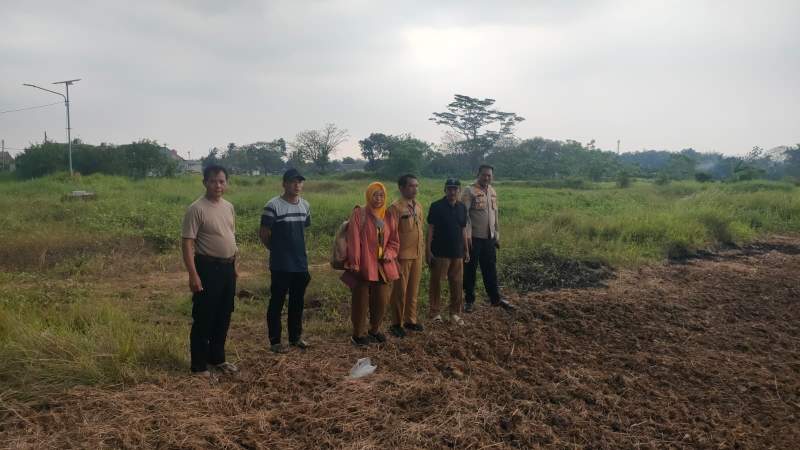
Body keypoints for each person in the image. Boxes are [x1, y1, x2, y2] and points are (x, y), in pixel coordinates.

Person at [181, 165, 239, 378]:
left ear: (227, 183)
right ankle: (199, 366)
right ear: (205, 182)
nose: (218, 185)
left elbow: (231, 236)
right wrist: (193, 274)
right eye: (214, 181)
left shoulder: (228, 207)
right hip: (207, 268)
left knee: (223, 315)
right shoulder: (196, 208)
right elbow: (187, 243)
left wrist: (235, 265)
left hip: (227, 268)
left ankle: (217, 358)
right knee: (204, 316)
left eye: (222, 181)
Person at [341, 182, 400, 346]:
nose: (378, 199)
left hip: (383, 265)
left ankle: (375, 330)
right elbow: (353, 239)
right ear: (368, 195)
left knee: (381, 299)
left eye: (381, 195)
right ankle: (358, 334)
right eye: (375, 195)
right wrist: (355, 262)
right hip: (363, 264)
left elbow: (394, 241)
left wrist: (389, 254)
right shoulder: (359, 213)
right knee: (360, 300)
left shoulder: (388, 215)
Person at [259, 168, 312, 354]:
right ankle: (275, 341)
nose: (297, 185)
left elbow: (303, 230)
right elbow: (264, 234)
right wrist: (277, 251)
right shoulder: (273, 206)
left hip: (300, 263)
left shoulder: (305, 205)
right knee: (277, 302)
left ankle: (295, 337)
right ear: (284, 184)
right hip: (281, 264)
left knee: (297, 302)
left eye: (299, 182)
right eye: (292, 182)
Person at [461, 165, 514, 312]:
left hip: (489, 239)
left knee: (490, 269)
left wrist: (496, 235)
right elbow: (464, 216)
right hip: (474, 238)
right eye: (484, 175)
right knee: (470, 270)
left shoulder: (492, 191)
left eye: (489, 175)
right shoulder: (469, 190)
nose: (487, 178)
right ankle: (469, 301)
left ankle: (495, 299)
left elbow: (495, 215)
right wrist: (467, 236)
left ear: (492, 176)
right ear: (478, 174)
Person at [426, 178, 469, 325]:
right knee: (436, 283)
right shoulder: (436, 206)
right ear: (445, 190)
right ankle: (435, 312)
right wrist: (428, 249)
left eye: (455, 189)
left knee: (457, 283)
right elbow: (431, 229)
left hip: (457, 253)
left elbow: (463, 230)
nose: (452, 191)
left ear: (459, 191)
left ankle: (455, 313)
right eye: (449, 188)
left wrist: (466, 250)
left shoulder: (462, 207)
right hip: (439, 252)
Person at [387, 174, 425, 338]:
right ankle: (396, 323)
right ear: (401, 188)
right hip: (401, 256)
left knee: (413, 289)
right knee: (399, 291)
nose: (414, 189)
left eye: (416, 186)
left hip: (417, 254)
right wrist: (392, 256)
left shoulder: (418, 206)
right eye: (411, 186)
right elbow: (389, 234)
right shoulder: (395, 208)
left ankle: (411, 319)